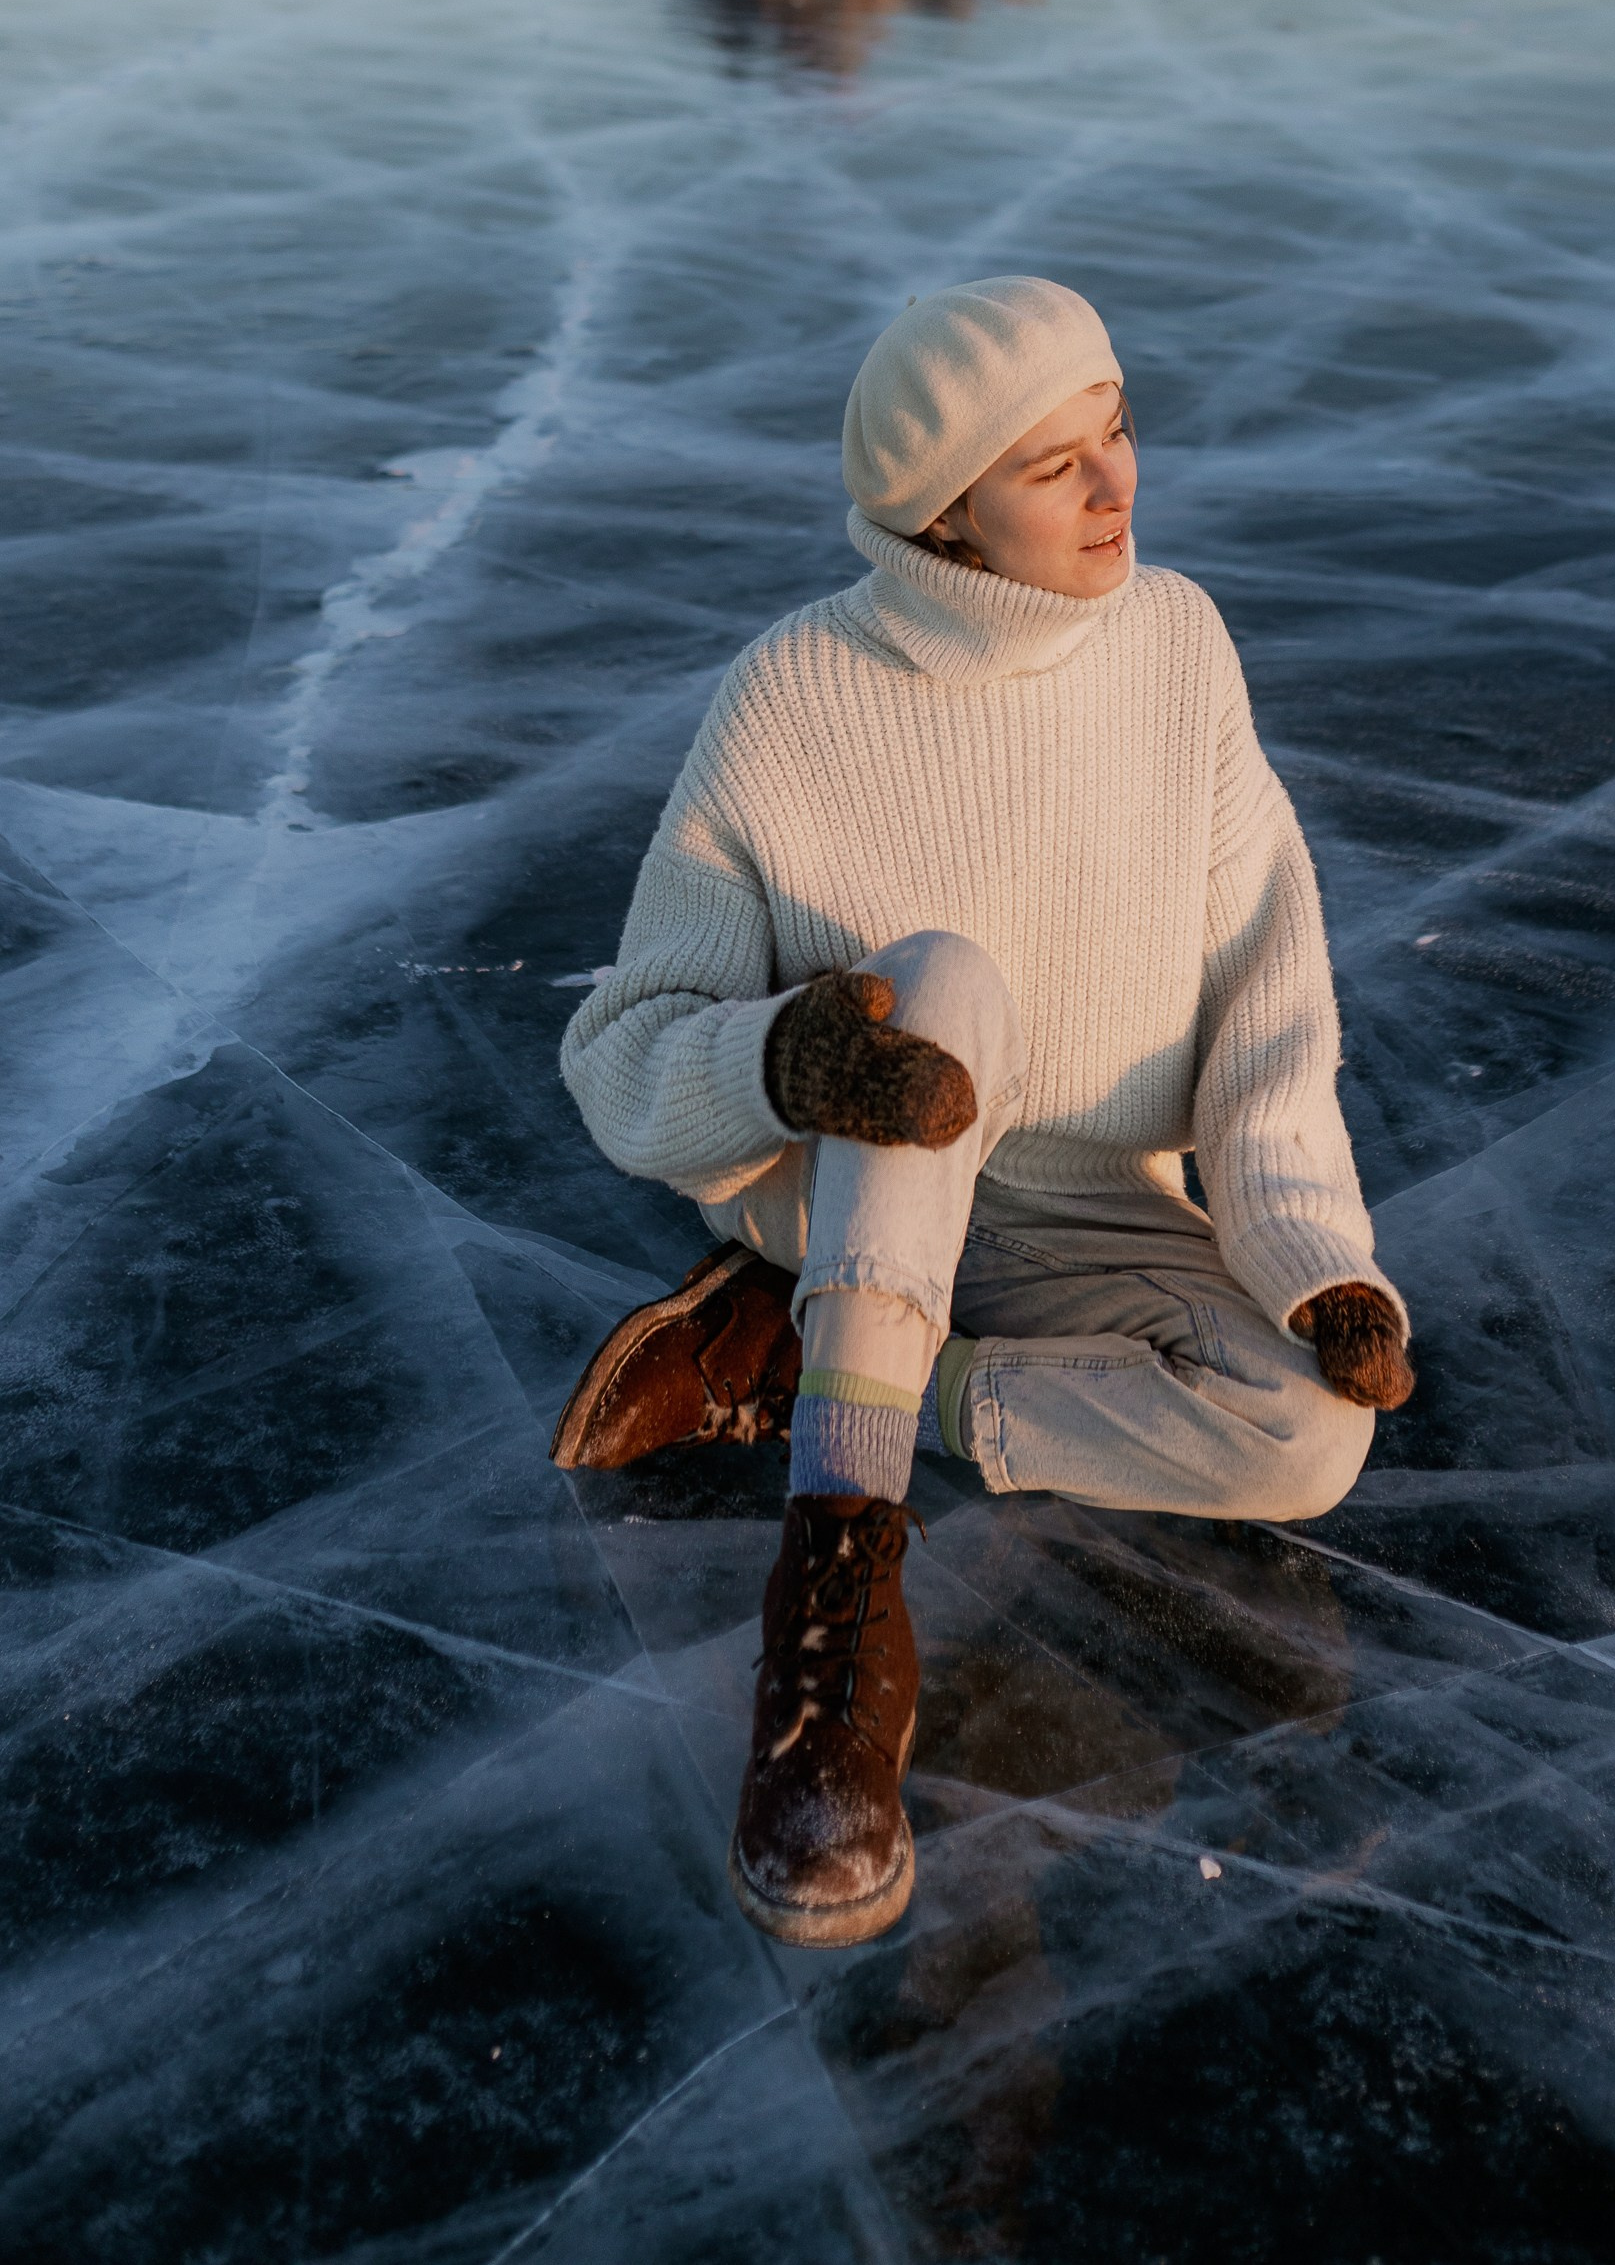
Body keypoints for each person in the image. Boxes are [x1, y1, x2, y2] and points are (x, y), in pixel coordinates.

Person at [553, 277, 1413, 1949]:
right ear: (944, 508)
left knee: (1309, 1435)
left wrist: (1312, 1258)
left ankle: (818, 1375)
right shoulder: (795, 697)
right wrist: (790, 1066)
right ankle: (836, 1587)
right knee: (942, 981)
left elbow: (1266, 993)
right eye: (1051, 467)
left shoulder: (1176, 647)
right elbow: (623, 1053)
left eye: (1118, 435)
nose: (1115, 492)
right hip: (857, 1184)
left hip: (1086, 1215)